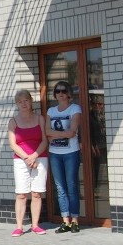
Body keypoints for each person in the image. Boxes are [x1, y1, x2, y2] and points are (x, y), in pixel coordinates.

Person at [7, 89, 48, 237]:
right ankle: (19, 226)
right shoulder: (13, 121)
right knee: (21, 194)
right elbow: (13, 144)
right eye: (20, 101)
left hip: (40, 158)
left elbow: (45, 140)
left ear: (31, 101)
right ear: (16, 104)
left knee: (36, 193)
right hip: (21, 159)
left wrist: (35, 155)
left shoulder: (40, 119)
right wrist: (27, 157)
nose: (23, 103)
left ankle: (35, 225)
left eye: (26, 100)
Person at [46, 81, 82, 234]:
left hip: (71, 153)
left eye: (63, 91)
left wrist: (54, 135)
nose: (60, 93)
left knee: (72, 186)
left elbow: (72, 132)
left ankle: (75, 221)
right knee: (60, 188)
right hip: (55, 154)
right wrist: (61, 134)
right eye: (57, 91)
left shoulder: (75, 108)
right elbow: (46, 132)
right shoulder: (50, 111)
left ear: (68, 93)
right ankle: (65, 221)